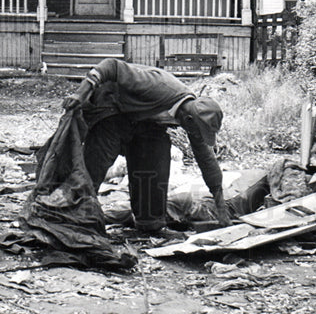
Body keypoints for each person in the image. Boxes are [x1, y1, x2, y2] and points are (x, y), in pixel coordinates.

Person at [62, 57, 234, 236]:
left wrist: (220, 206)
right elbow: (111, 66)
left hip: (144, 121)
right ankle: (76, 218)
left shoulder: (192, 116)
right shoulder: (158, 86)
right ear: (188, 120)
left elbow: (206, 158)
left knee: (156, 154)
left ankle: (150, 223)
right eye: (198, 132)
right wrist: (81, 94)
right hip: (111, 107)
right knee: (96, 163)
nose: (197, 136)